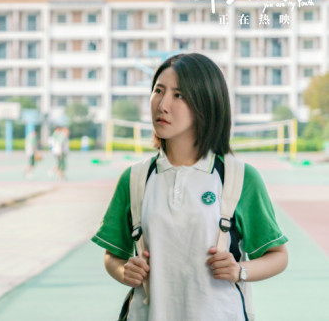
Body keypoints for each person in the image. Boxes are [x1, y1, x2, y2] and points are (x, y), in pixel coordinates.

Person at [92, 53, 288, 320]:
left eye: (179, 95)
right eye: (158, 91)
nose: (162, 104)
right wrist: (123, 271)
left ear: (206, 104)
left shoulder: (239, 177)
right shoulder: (135, 178)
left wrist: (240, 270)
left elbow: (278, 256)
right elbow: (112, 256)